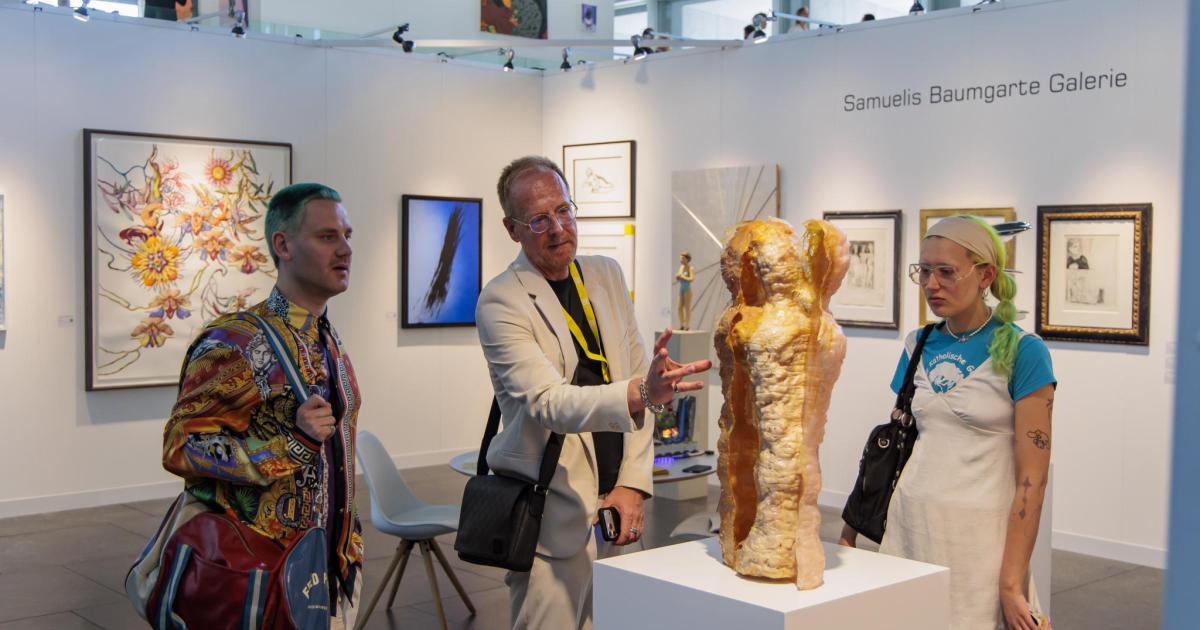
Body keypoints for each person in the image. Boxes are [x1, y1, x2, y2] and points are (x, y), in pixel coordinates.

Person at [478, 156, 712, 629]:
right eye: (538, 219)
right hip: (549, 519)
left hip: (617, 511)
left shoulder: (605, 274)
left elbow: (640, 376)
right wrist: (641, 392)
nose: (557, 228)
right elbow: (548, 402)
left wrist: (633, 482)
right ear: (512, 229)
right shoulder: (501, 300)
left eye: (564, 211)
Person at [839, 216, 1056, 630]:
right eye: (924, 271)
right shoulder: (918, 343)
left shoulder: (1024, 351)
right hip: (909, 527)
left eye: (946, 272)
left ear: (985, 275)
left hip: (980, 541)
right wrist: (852, 527)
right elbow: (894, 442)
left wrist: (1011, 584)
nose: (931, 285)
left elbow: (1033, 480)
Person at [162, 183, 363, 629]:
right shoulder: (235, 341)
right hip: (258, 576)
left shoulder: (326, 338)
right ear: (283, 246)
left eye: (347, 235)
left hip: (329, 567)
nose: (345, 249)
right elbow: (181, 445)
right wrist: (289, 444)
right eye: (327, 236)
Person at [675, 251, 694, 330]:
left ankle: (687, 325)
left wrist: (682, 277)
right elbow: (679, 277)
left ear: (687, 259)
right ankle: (681, 324)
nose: (681, 260)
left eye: (682, 258)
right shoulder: (681, 267)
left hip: (687, 289)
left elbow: (692, 279)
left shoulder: (690, 268)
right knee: (679, 307)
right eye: (680, 258)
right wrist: (678, 277)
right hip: (681, 289)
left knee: (687, 308)